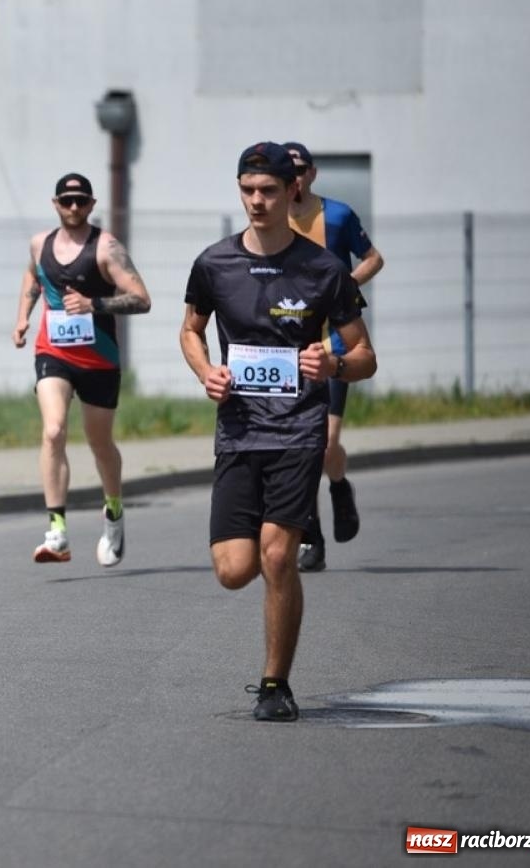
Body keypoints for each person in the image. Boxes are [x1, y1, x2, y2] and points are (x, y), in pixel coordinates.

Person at [180, 142, 376, 722]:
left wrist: (334, 365)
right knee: (233, 570)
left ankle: (275, 685)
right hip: (239, 433)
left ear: (293, 191)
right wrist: (205, 372)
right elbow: (190, 330)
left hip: (298, 430)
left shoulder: (323, 270)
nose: (256, 201)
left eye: (267, 190)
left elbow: (365, 355)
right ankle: (273, 674)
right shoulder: (214, 264)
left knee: (276, 558)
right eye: (247, 190)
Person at [12, 173, 151, 567]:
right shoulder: (40, 243)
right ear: (55, 204)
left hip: (99, 358)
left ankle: (114, 509)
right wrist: (23, 317)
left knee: (99, 443)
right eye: (66, 200)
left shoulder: (106, 248)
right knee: (53, 429)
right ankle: (56, 531)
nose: (74, 207)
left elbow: (142, 300)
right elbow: (33, 275)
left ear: (91, 205)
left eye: (81, 201)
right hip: (53, 351)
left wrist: (95, 305)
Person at [284, 142, 386, 572]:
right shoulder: (270, 219)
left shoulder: (338, 215)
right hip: (286, 350)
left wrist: (346, 283)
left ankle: (339, 486)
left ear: (313, 173)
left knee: (325, 445)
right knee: (299, 448)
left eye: (301, 169)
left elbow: (374, 258)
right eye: (285, 171)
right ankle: (312, 540)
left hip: (333, 347)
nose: (295, 178)